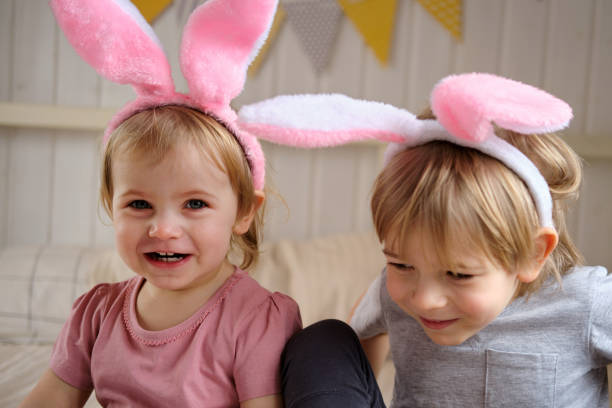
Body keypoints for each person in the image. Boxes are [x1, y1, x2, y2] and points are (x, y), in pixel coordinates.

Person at [237, 73, 611, 407]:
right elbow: (353, 360)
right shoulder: (393, 293)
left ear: (532, 254)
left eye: (459, 275)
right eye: (401, 264)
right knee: (323, 341)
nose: (425, 299)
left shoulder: (585, 303)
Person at [21, 0, 301, 407]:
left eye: (194, 204)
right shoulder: (97, 314)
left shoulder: (255, 320)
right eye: (138, 205)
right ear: (110, 204)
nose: (163, 229)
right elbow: (50, 400)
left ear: (243, 212)